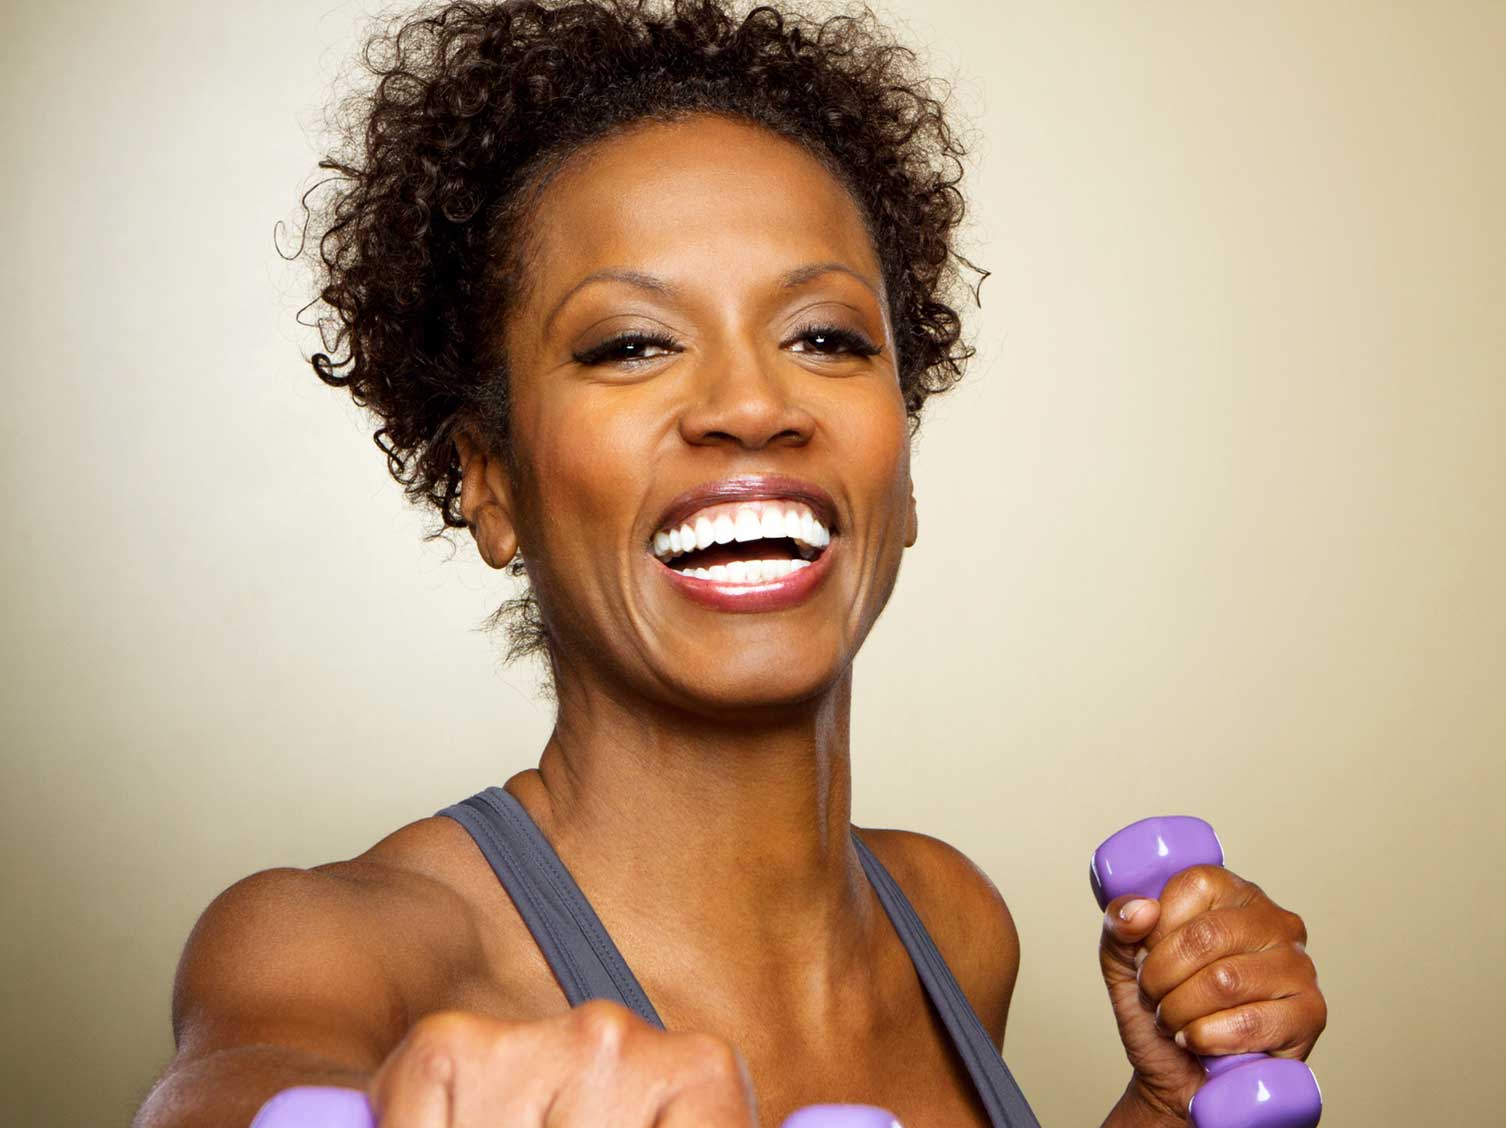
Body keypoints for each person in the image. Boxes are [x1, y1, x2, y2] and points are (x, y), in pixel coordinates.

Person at [134, 2, 1326, 1125]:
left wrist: (1168, 1108)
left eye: (824, 338)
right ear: (490, 484)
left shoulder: (953, 923)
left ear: (901, 473)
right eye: (631, 344)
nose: (753, 403)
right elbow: (240, 1088)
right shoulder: (339, 947)